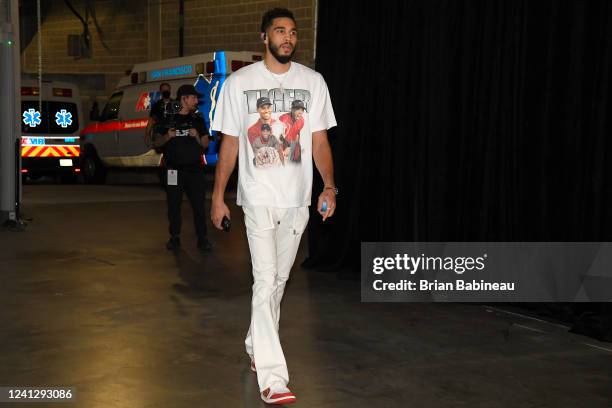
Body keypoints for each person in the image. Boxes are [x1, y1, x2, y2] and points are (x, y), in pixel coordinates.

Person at [210, 7, 338, 405]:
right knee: (265, 282)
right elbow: (229, 145)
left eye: (293, 32)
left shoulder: (313, 82)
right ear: (264, 38)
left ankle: (254, 343)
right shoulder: (239, 83)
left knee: (278, 282)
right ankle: (273, 376)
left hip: (298, 200)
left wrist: (329, 186)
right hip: (258, 198)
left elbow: (318, 141)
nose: (288, 38)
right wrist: (218, 197)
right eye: (280, 31)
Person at [156, 84, 211, 252]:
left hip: (194, 171)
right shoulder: (168, 120)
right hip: (173, 170)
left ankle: (202, 239)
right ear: (184, 99)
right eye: (193, 97)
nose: (196, 100)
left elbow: (205, 144)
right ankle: (174, 238)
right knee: (174, 205)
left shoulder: (198, 120)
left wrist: (196, 137)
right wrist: (167, 136)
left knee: (199, 206)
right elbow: (156, 143)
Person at [145, 82, 172, 147]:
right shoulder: (156, 105)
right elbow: (151, 120)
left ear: (170, 90)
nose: (166, 92)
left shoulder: (175, 104)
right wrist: (147, 134)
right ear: (161, 92)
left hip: (172, 133)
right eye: (164, 90)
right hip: (160, 133)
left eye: (167, 90)